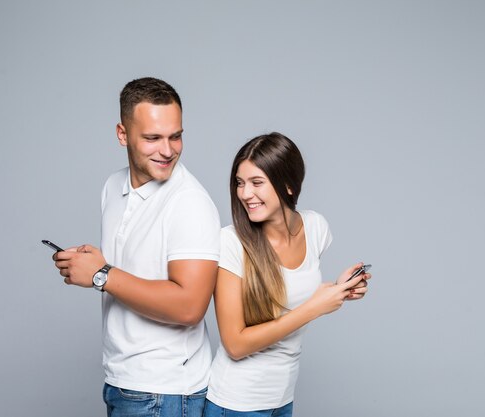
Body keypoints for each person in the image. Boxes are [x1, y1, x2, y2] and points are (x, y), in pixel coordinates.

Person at [52, 77, 220, 417]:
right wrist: (90, 265)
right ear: (122, 134)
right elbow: (131, 268)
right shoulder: (113, 187)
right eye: (152, 138)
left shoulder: (190, 202)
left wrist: (101, 274)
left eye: (176, 136)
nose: (168, 149)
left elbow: (190, 306)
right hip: (123, 381)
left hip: (166, 391)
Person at [204, 132, 370, 417]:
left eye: (257, 183)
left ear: (289, 186)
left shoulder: (316, 228)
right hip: (236, 404)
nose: (244, 193)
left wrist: (337, 290)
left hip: (282, 399)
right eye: (240, 183)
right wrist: (314, 308)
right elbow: (235, 343)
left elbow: (289, 296)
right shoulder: (231, 242)